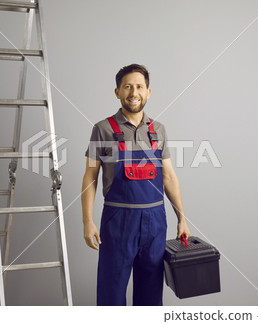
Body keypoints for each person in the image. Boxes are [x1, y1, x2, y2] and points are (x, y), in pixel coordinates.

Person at [81, 64, 190, 306]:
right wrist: (87, 221)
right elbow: (90, 175)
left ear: (148, 92)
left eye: (139, 87)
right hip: (118, 221)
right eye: (127, 87)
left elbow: (169, 176)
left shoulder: (158, 130)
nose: (134, 92)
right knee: (112, 293)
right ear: (117, 92)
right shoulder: (103, 129)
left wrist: (181, 217)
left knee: (150, 297)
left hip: (155, 222)